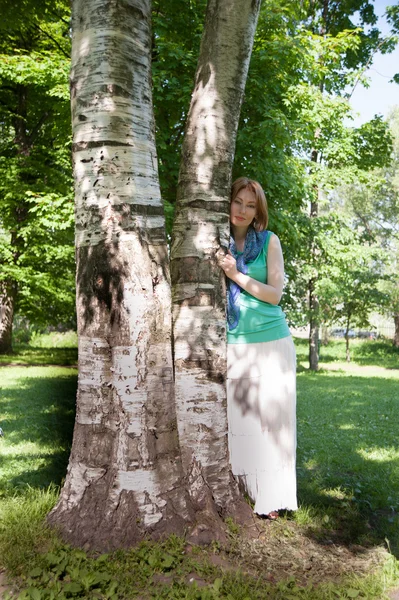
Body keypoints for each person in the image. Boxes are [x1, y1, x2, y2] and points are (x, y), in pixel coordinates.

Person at [218, 177, 297, 518]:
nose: (243, 210)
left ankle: (272, 499)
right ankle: (248, 491)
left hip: (272, 340)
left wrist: (235, 275)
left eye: (251, 205)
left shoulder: (269, 242)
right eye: (238, 201)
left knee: (273, 422)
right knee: (244, 422)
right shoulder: (216, 241)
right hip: (235, 343)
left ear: (258, 211)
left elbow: (274, 294)